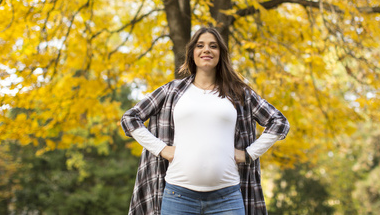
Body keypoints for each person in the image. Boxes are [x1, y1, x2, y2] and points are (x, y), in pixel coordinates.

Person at [121, 27, 289, 215]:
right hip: (178, 196)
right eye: (200, 45)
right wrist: (161, 149)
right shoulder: (172, 91)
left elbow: (279, 122)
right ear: (192, 53)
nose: (206, 50)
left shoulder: (239, 93)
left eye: (213, 46)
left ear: (221, 54)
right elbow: (130, 118)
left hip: (228, 199)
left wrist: (249, 154)